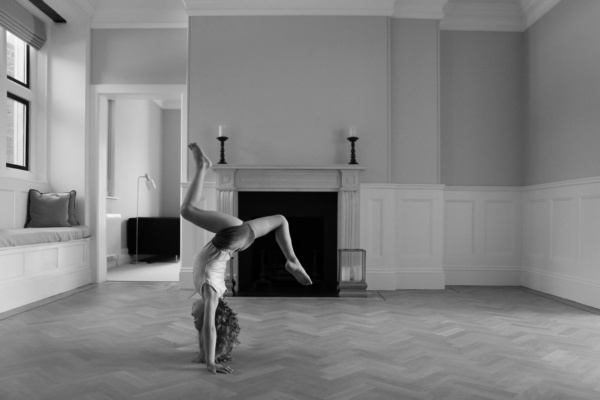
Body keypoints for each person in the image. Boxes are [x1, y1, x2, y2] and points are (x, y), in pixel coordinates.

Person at [181, 143, 312, 375]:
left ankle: (292, 261)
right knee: (188, 211)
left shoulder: (211, 291)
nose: (194, 316)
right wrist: (211, 363)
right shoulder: (211, 291)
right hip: (231, 238)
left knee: (282, 219)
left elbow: (208, 327)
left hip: (237, 241)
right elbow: (210, 327)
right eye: (196, 319)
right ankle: (203, 166)